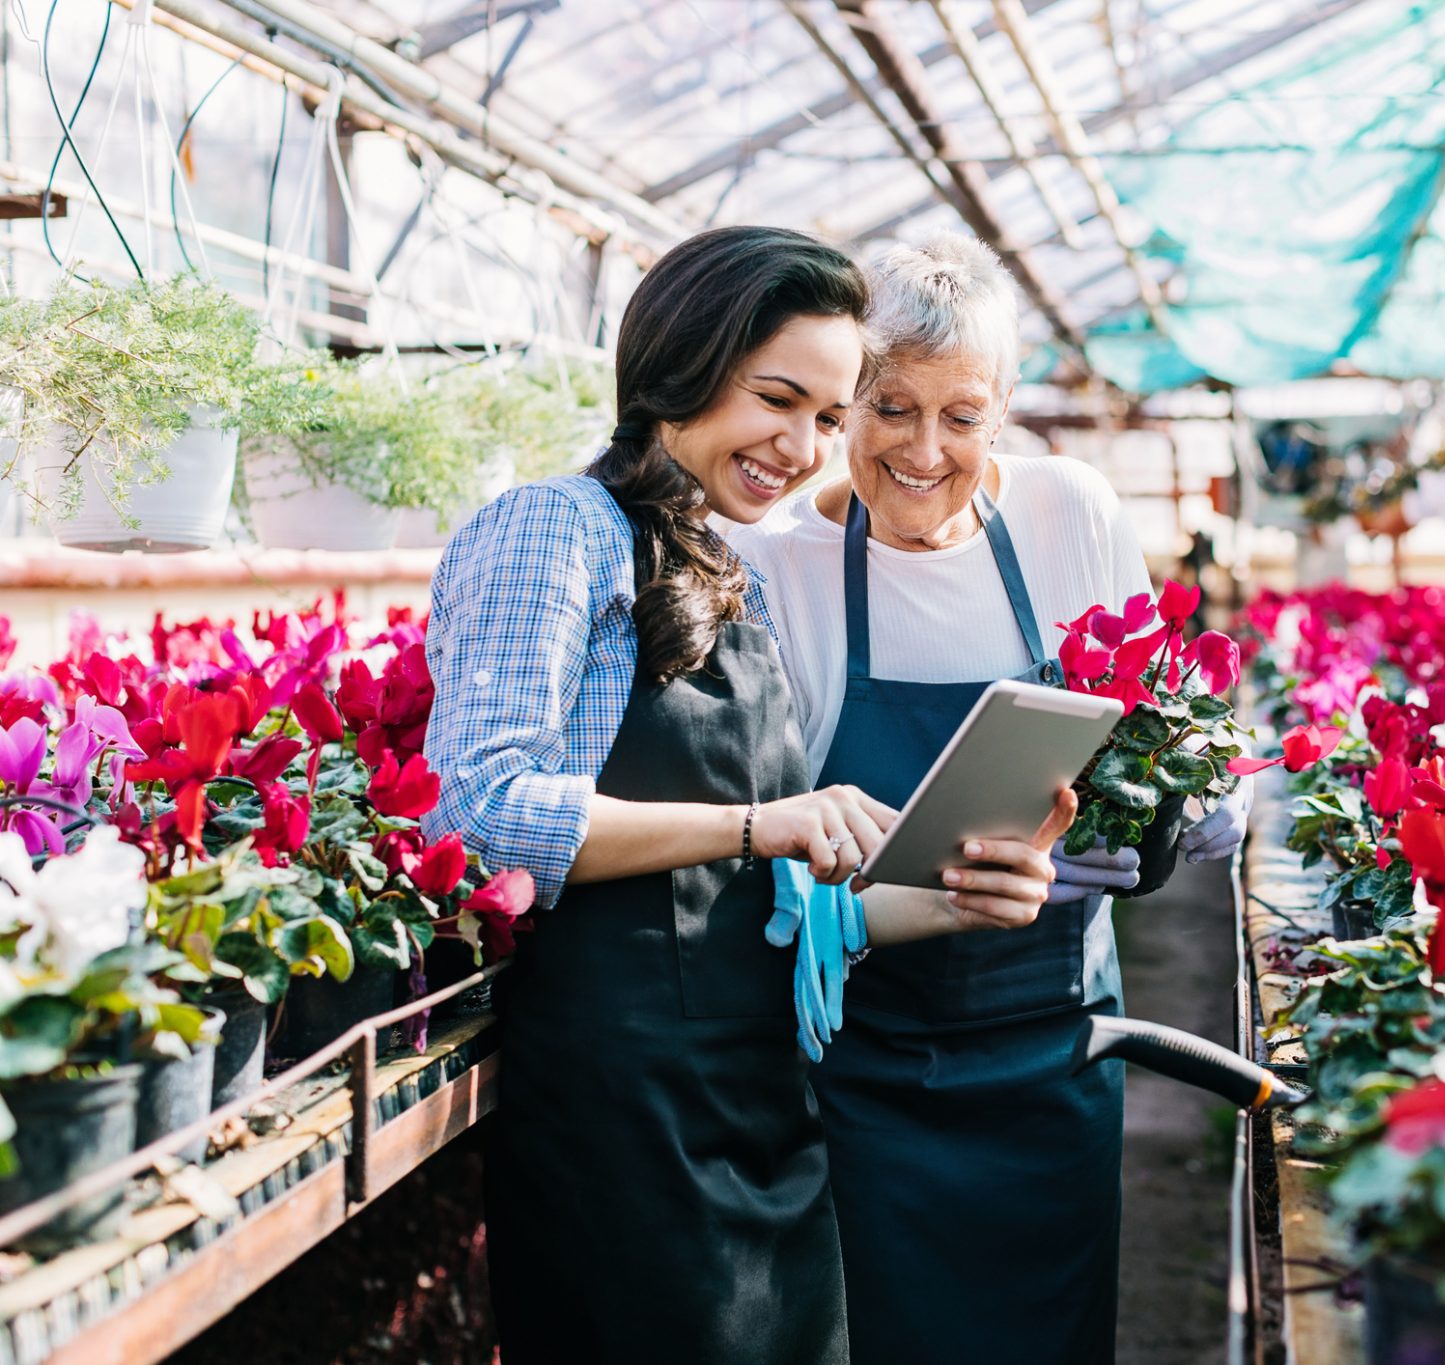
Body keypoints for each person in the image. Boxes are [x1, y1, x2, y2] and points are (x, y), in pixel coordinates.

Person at [421, 226, 1071, 1365]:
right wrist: (755, 822)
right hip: (625, 1117)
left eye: (827, 418)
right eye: (778, 398)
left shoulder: (728, 569)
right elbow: (478, 807)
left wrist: (958, 897)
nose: (803, 446)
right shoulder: (558, 529)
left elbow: (765, 912)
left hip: (762, 1105)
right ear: (681, 363)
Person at [727, 232, 1252, 1365]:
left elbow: (1150, 734)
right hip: (865, 1064)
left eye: (961, 416)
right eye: (889, 408)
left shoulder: (1071, 515)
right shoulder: (775, 565)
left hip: (1054, 1045)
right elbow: (759, 837)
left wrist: (1169, 822)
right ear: (839, 410)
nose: (923, 450)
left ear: (1004, 413)